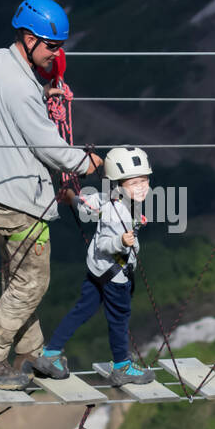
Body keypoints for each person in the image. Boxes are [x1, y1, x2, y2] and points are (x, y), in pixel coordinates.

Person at [0, 0, 102, 390]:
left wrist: (38, 102)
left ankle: (30, 353)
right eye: (52, 47)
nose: (56, 56)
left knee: (17, 275)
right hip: (22, 197)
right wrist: (86, 162)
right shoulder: (23, 90)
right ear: (28, 38)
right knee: (31, 281)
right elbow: (50, 149)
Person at [31, 146, 156, 386]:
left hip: (97, 271)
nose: (141, 187)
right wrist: (121, 241)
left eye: (144, 181)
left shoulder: (112, 197)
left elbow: (91, 204)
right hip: (115, 275)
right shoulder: (117, 211)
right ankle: (122, 367)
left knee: (82, 310)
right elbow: (105, 243)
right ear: (118, 184)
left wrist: (72, 199)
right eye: (134, 183)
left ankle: (50, 354)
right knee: (119, 319)